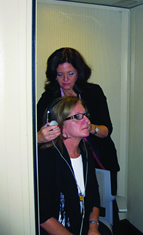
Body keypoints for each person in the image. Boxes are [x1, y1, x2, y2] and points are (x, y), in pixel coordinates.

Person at [37, 47, 120, 195]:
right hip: (66, 162)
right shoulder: (49, 97)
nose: (66, 80)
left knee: (101, 205)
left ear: (79, 72)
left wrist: (91, 128)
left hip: (99, 159)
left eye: (70, 73)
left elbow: (106, 130)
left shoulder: (93, 92)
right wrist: (39, 137)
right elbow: (34, 132)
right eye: (60, 75)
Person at [38, 96, 111, 235]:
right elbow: (44, 216)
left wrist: (93, 227)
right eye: (77, 117)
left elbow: (94, 196)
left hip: (85, 227)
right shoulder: (47, 158)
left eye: (85, 115)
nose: (87, 121)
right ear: (60, 126)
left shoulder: (86, 151)